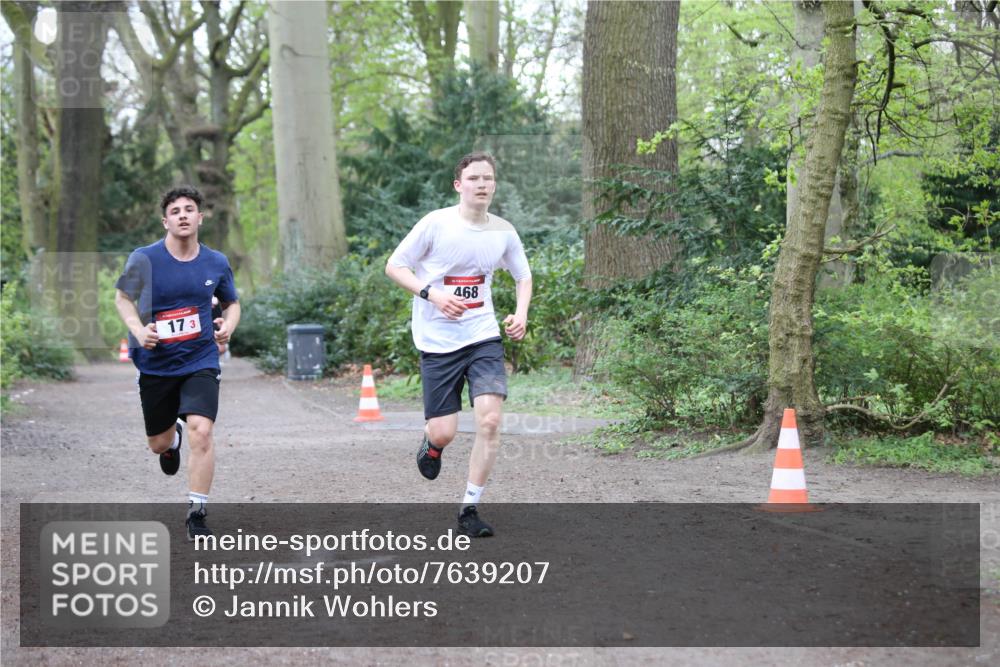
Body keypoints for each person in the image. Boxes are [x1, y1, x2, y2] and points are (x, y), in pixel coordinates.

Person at [386, 152, 532, 537]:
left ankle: (469, 508)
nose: (482, 184)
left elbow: (523, 275)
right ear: (458, 185)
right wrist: (431, 294)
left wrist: (521, 314)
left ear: (494, 185)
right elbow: (395, 266)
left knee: (490, 419)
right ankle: (432, 445)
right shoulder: (435, 224)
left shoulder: (502, 231)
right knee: (444, 432)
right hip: (437, 341)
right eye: (474, 178)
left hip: (482, 335)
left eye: (488, 178)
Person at [115, 186, 240, 540]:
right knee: (158, 442)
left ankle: (196, 515)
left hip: (200, 357)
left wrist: (226, 327)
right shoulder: (145, 259)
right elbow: (122, 298)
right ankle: (172, 441)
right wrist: (139, 331)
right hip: (155, 363)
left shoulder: (216, 262)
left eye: (189, 209)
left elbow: (232, 303)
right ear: (165, 220)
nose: (183, 215)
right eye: (175, 211)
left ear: (200, 217)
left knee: (203, 429)